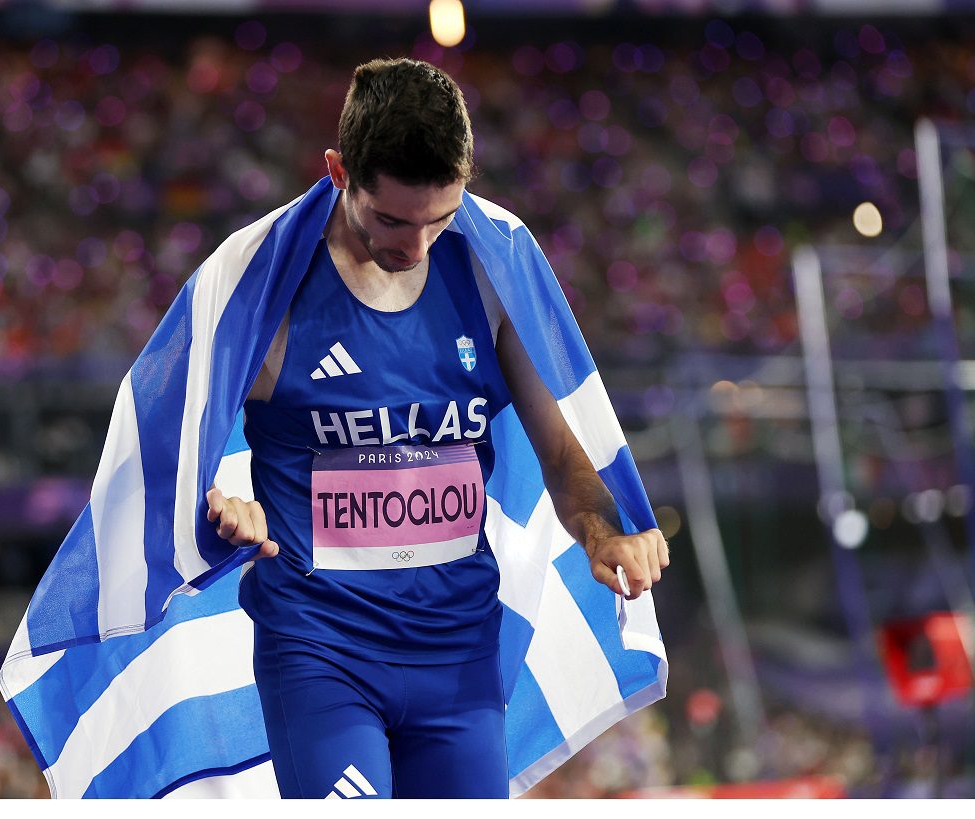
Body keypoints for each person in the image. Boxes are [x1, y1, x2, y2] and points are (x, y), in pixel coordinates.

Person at [202, 57, 670, 800]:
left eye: (440, 218)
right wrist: (220, 503)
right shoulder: (269, 288)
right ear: (338, 172)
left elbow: (560, 450)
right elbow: (177, 445)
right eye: (391, 219)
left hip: (459, 659)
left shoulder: (489, 271)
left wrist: (601, 532)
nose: (416, 246)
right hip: (320, 652)